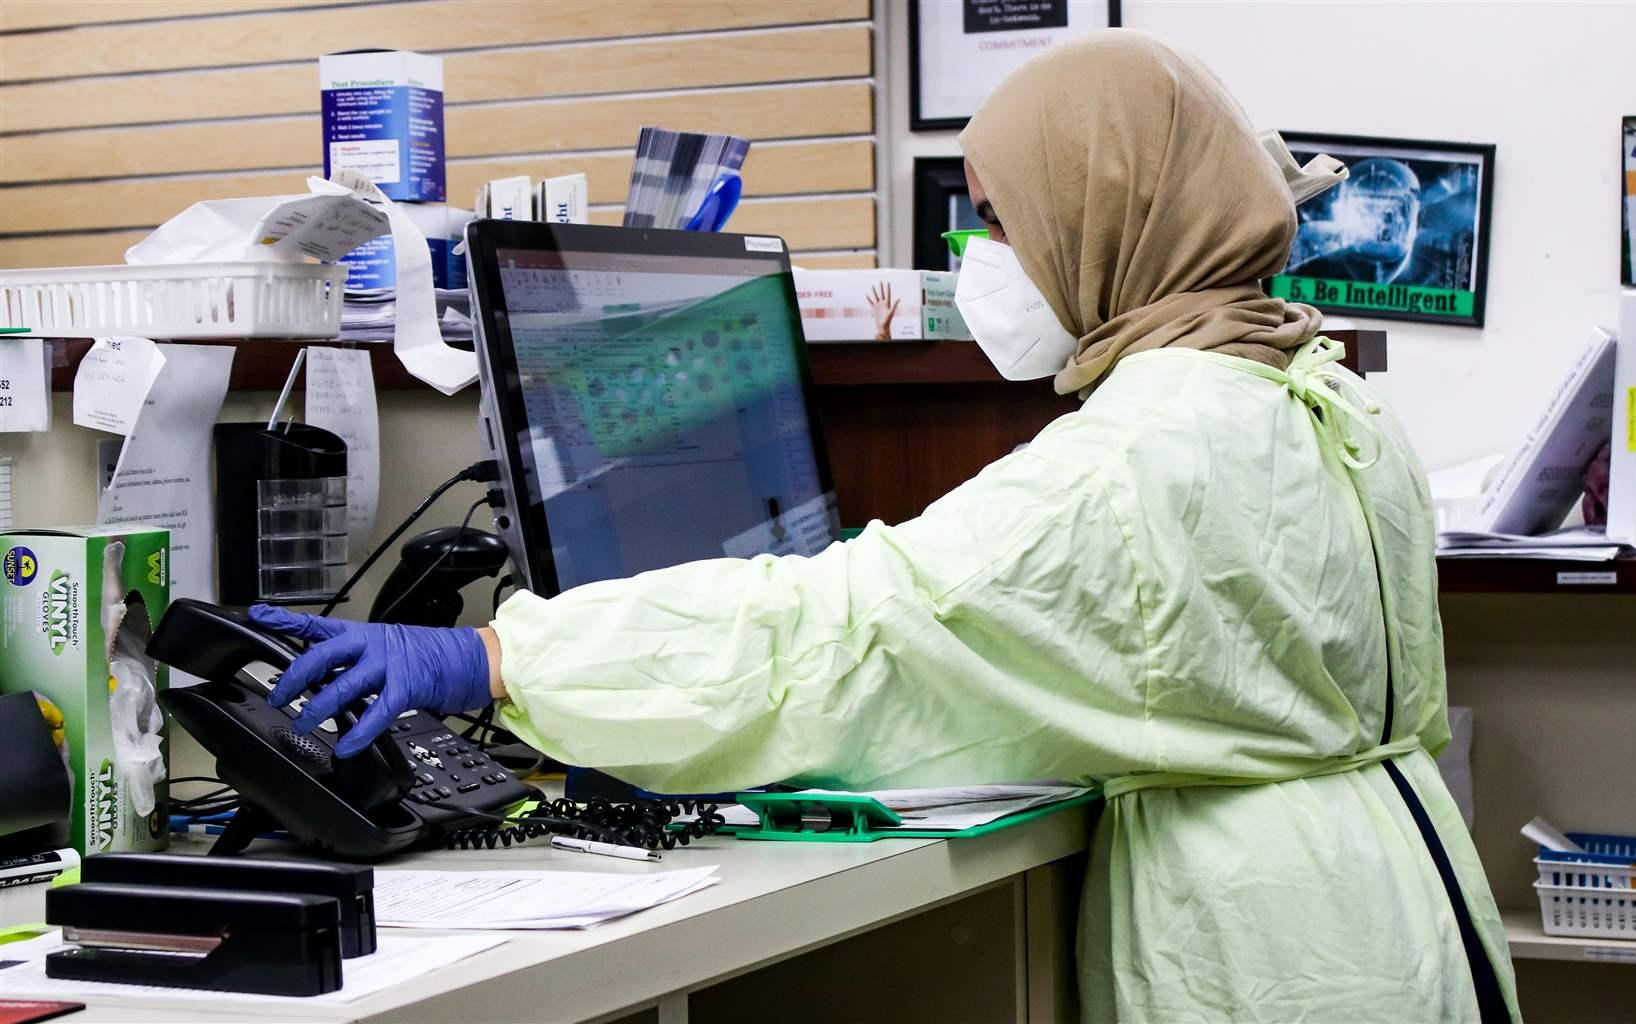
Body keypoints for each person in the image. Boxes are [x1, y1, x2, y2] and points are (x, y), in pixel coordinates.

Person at [253, 30, 1520, 1024]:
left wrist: (496, 660)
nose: (988, 254)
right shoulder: (1315, 390)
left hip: (1268, 948)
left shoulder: (1141, 455)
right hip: (1396, 909)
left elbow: (846, 636)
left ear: (1105, 221)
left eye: (1006, 220)